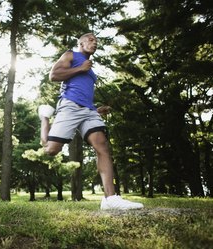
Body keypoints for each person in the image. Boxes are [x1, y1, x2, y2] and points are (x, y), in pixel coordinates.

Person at [38, 33, 143, 210]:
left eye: (96, 41)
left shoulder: (90, 71)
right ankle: (44, 118)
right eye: (90, 40)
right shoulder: (71, 55)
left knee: (102, 145)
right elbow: (53, 75)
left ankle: (110, 199)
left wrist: (95, 109)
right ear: (80, 43)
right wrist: (80, 68)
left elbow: (83, 92)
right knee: (51, 150)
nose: (94, 43)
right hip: (69, 106)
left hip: (88, 110)